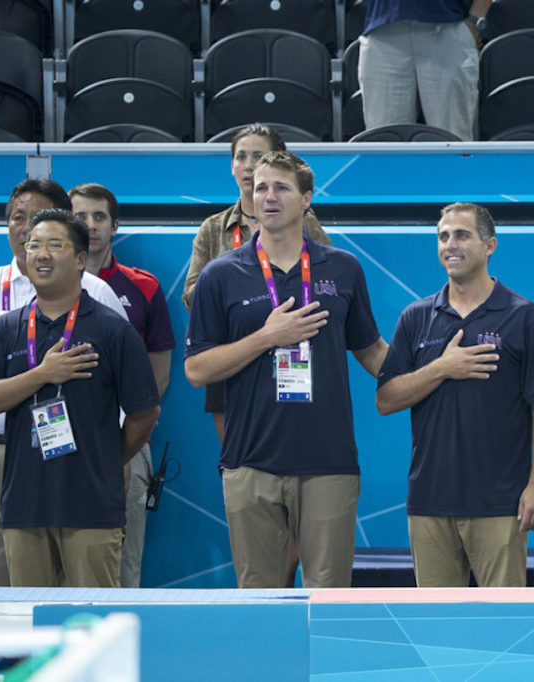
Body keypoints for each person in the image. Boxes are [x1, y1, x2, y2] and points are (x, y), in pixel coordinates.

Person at [184, 150, 388, 588]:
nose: (269, 197)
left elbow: (371, 351)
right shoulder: (219, 276)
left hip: (328, 463)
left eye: (281, 187)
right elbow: (198, 370)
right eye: (261, 188)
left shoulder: (343, 268)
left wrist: (434, 374)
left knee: (328, 599)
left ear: (306, 199)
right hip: (250, 463)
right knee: (260, 605)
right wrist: (266, 337)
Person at [0, 209, 160, 587]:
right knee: (31, 622)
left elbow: (145, 411)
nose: (41, 254)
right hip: (25, 505)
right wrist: (41, 375)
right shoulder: (7, 328)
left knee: (93, 619)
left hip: (92, 505)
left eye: (55, 245)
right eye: (34, 245)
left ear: (81, 260)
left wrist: (108, 458)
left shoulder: (112, 329)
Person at [376, 202, 534, 587]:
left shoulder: (523, 315)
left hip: (500, 503)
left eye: (461, 235)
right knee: (437, 631)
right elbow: (387, 398)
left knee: (505, 625)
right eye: (443, 236)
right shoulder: (415, 316)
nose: (450, 244)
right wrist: (441, 368)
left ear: (489, 245)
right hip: (430, 502)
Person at [182, 123, 332, 443]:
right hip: (230, 352)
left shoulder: (304, 220)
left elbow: (326, 277)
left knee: (298, 449)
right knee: (237, 458)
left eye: (258, 156)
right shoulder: (213, 228)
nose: (249, 165)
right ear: (232, 167)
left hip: (293, 351)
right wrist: (233, 277)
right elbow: (190, 295)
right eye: (241, 157)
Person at [70, 182, 176, 589]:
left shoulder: (143, 286)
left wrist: (121, 442)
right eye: (80, 216)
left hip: (126, 441)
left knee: (123, 564)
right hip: (59, 440)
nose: (90, 226)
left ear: (116, 225)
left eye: (99, 217)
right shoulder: (44, 287)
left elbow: (159, 375)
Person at [359, 0, 493, 141]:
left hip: (450, 25)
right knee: (383, 142)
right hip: (383, 30)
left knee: (453, 139)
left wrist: (475, 19)